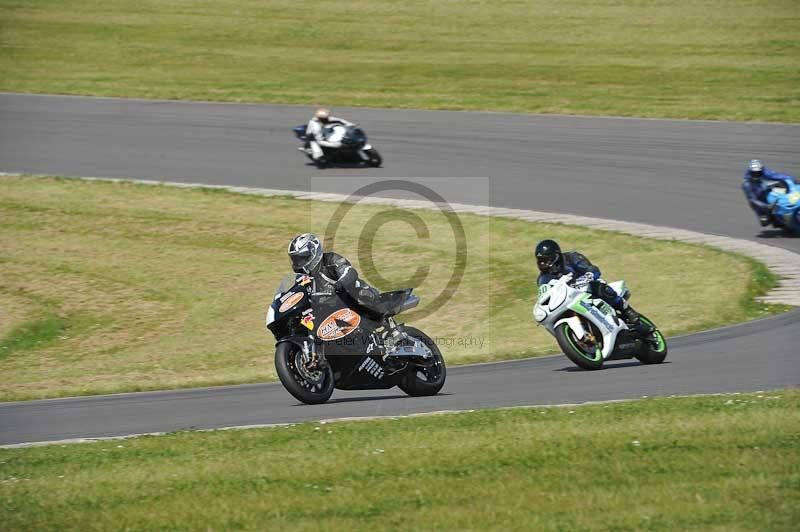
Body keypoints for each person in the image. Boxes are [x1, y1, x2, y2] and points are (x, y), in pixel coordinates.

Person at [534, 239, 652, 334]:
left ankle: (628, 311)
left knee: (599, 286)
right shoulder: (543, 278)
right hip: (569, 299)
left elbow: (592, 269)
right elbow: (545, 293)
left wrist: (586, 277)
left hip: (587, 287)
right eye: (541, 261)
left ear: (556, 256)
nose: (544, 264)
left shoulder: (571, 257)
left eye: (547, 260)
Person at [288, 233, 389, 316]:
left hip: (354, 299)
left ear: (314, 252)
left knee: (363, 295)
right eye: (295, 260)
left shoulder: (331, 260)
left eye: (301, 259)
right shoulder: (303, 278)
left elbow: (350, 272)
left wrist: (340, 285)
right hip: (332, 310)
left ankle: (389, 325)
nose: (298, 264)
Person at [742, 159, 792, 227]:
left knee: (781, 185)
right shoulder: (746, 184)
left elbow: (774, 175)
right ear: (750, 172)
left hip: (765, 190)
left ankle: (789, 202)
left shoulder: (763, 171)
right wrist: (765, 206)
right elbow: (752, 199)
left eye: (758, 172)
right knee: (765, 221)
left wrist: (788, 178)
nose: (756, 175)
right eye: (754, 173)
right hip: (758, 200)